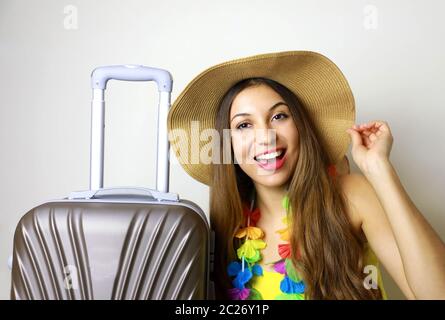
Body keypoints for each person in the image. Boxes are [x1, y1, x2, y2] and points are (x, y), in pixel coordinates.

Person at [167, 51, 445, 300]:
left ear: (301, 126)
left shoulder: (350, 195)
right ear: (226, 145)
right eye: (244, 125)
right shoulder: (225, 227)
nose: (265, 137)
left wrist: (380, 170)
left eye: (279, 117)